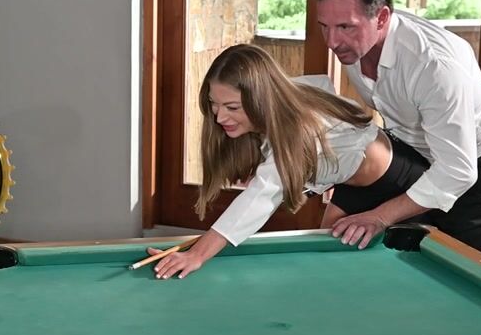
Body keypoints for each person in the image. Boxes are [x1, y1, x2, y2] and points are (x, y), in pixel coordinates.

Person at [152, 44, 430, 279]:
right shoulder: (281, 95)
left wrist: (197, 255)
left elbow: (260, 197)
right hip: (354, 184)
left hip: (401, 180)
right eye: (214, 104)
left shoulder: (296, 129)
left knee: (359, 269)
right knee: (327, 262)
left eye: (232, 107)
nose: (220, 117)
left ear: (261, 99)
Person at [312, 0, 481, 257]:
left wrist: (380, 216)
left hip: (475, 165)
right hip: (413, 149)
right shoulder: (355, 46)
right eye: (324, 27)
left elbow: (458, 170)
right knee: (359, 235)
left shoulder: (434, 67)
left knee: (459, 271)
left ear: (382, 18)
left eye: (345, 27)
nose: (332, 42)